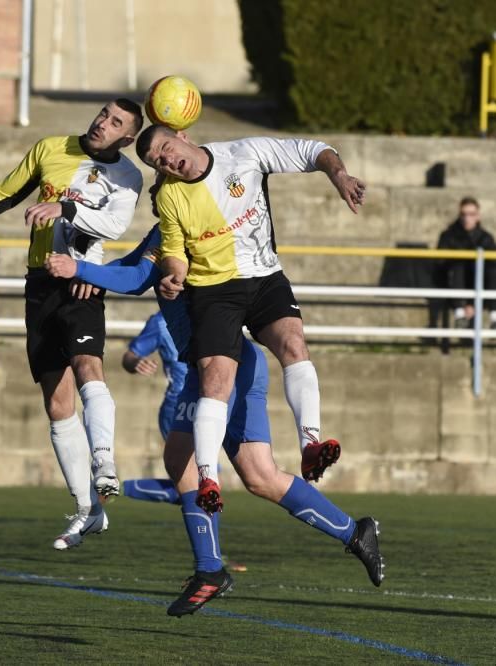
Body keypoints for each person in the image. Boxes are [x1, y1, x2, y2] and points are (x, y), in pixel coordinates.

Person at [45, 223, 385, 616]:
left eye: (161, 164)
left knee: (181, 461)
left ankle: (209, 570)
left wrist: (82, 270)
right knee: (261, 476)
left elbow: (138, 276)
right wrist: (92, 277)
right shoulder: (169, 224)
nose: (160, 178)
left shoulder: (183, 222)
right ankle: (354, 532)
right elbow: (135, 265)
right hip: (235, 361)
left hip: (219, 365)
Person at [0, 99, 145, 549]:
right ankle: (88, 511)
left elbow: (116, 226)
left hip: (82, 281)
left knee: (88, 367)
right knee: (57, 404)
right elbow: (4, 191)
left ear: (129, 138)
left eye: (116, 122)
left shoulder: (129, 175)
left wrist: (67, 218)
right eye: (103, 113)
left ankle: (105, 462)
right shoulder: (50, 149)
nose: (103, 122)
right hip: (41, 283)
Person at [134, 125, 366, 511]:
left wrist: (338, 174)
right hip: (214, 290)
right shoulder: (172, 196)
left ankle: (311, 444)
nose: (167, 160)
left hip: (264, 278)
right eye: (157, 161)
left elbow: (313, 149)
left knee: (294, 344)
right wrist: (174, 273)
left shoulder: (244, 153)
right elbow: (174, 250)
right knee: (216, 381)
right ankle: (209, 478)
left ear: (184, 136)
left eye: (166, 148)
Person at [119, 311, 185, 504]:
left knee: (203, 488)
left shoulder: (212, 309)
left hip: (211, 405)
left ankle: (113, 489)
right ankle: (116, 490)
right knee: (198, 489)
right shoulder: (161, 322)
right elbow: (129, 356)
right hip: (177, 408)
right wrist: (136, 362)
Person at [436, 196, 496, 329]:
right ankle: (459, 314)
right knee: (457, 265)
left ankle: (495, 316)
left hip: (479, 287)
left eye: (471, 214)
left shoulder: (486, 238)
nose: (467, 218)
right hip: (453, 287)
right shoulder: (448, 236)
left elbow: (495, 266)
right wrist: (464, 303)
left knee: (493, 270)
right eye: (464, 214)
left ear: (478, 216)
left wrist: (474, 304)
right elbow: (440, 267)